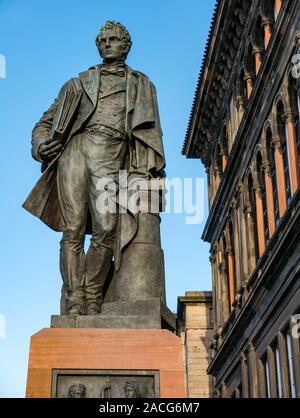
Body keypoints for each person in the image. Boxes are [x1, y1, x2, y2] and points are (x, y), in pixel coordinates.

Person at [23, 21, 165, 316]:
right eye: (102, 40)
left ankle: (91, 292)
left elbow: (151, 135)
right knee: (72, 229)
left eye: (113, 40)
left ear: (126, 45)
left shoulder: (141, 84)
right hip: (76, 151)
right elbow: (43, 124)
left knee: (107, 228)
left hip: (112, 154)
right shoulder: (77, 83)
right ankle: (76, 299)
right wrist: (40, 147)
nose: (106, 44)